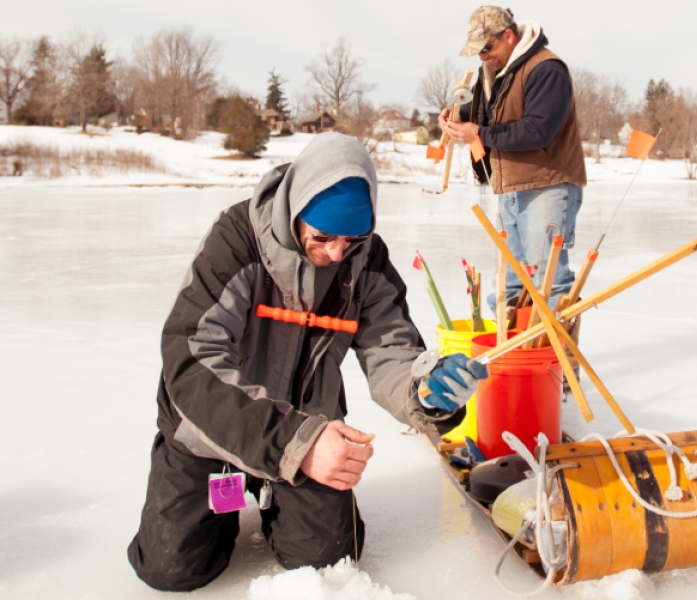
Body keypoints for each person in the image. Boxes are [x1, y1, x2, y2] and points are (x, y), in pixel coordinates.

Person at [127, 132, 487, 592]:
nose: (337, 253)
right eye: (323, 237)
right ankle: (226, 488)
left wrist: (426, 389)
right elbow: (192, 361)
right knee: (172, 569)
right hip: (214, 433)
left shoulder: (365, 260)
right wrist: (296, 443)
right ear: (296, 212)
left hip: (307, 431)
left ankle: (281, 496)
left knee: (327, 557)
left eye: (352, 239)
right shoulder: (236, 243)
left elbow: (392, 352)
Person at [440, 5, 587, 312]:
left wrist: (477, 133)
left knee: (549, 284)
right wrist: (457, 117)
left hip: (547, 186)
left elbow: (537, 130)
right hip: (509, 186)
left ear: (508, 36)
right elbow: (484, 112)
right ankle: (513, 356)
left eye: (487, 48)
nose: (483, 57)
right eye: (477, 52)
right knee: (509, 285)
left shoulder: (546, 69)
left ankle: (555, 358)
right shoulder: (492, 72)